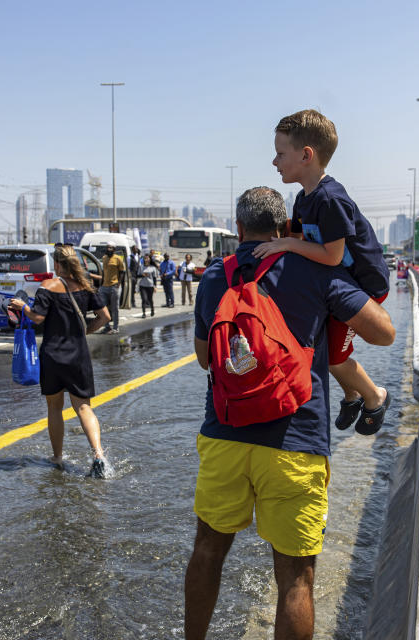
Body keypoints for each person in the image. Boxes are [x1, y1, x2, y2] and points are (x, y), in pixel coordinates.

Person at [185, 187, 395, 639]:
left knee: (207, 551)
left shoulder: (214, 277)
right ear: (285, 229)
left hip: (224, 434)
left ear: (238, 228)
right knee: (295, 579)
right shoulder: (315, 270)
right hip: (295, 441)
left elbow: (205, 358)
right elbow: (384, 334)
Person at [254, 109, 392, 433]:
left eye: (279, 154)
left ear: (306, 155)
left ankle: (374, 397)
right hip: (340, 282)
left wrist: (285, 245)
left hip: (364, 287)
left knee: (333, 357)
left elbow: (332, 256)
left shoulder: (331, 199)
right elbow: (302, 240)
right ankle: (352, 395)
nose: (275, 162)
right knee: (325, 346)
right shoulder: (304, 199)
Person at [8, 246, 111, 477]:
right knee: (84, 407)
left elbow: (38, 317)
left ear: (56, 265)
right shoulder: (86, 286)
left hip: (53, 354)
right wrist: (86, 331)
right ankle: (98, 454)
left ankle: (57, 456)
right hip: (78, 354)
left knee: (55, 407)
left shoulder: (48, 287)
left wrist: (22, 307)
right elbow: (105, 316)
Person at [91, 242, 125, 334]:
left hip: (114, 286)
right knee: (103, 307)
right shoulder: (104, 258)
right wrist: (101, 284)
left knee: (114, 308)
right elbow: (103, 272)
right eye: (108, 247)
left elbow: (122, 272)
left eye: (111, 248)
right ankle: (106, 326)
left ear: (114, 249)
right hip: (104, 286)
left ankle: (115, 328)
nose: (109, 249)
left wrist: (119, 284)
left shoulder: (118, 259)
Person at [137, 254, 158, 318]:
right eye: (145, 258)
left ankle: (152, 309)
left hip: (150, 285)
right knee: (144, 299)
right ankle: (144, 313)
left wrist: (155, 286)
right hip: (142, 285)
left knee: (150, 299)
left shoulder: (153, 268)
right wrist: (142, 275)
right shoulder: (141, 266)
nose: (146, 259)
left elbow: (154, 278)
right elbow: (137, 275)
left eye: (147, 258)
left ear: (150, 259)